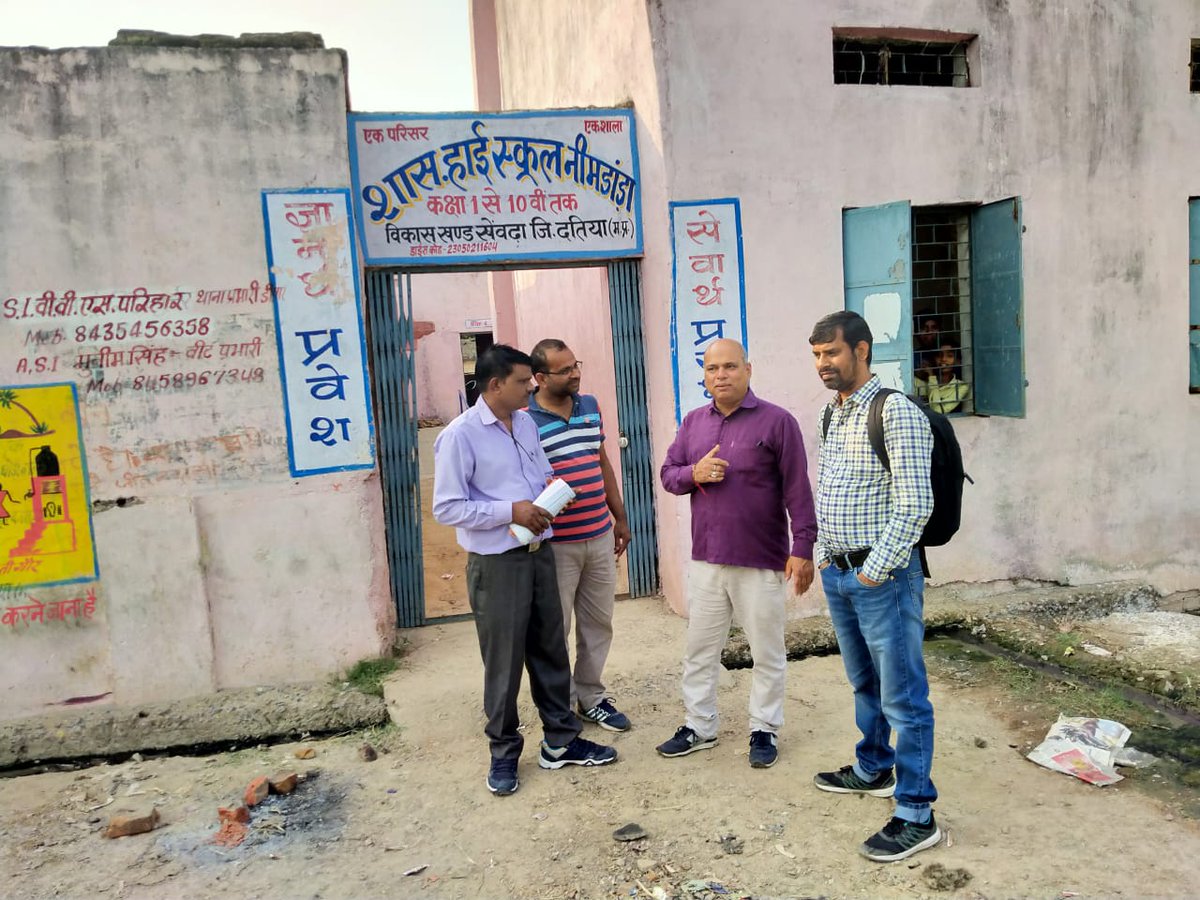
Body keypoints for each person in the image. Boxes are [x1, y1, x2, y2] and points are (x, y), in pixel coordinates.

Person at [433, 344, 618, 797]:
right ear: (496, 385)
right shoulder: (460, 436)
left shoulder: (525, 424)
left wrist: (550, 492)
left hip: (540, 552)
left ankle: (561, 740)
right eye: (522, 381)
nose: (530, 388)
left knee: (550, 650)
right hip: (498, 564)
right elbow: (447, 507)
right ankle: (503, 753)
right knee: (504, 663)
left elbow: (537, 474)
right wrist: (510, 510)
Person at [808, 310, 940, 862]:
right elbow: (830, 486)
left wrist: (873, 570)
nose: (822, 364)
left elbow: (915, 504)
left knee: (903, 696)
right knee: (864, 681)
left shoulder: (895, 412)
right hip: (840, 572)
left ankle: (916, 813)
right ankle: (873, 766)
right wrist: (824, 555)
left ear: (861, 350)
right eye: (816, 355)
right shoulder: (831, 413)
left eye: (831, 353)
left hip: (883, 578)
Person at [656, 338, 816, 769]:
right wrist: (695, 472)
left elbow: (797, 490)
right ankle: (699, 725)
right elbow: (669, 475)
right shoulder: (694, 423)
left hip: (760, 560)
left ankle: (764, 729)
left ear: (748, 369)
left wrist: (803, 547)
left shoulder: (777, 422)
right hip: (707, 559)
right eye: (712, 369)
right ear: (704, 376)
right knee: (700, 650)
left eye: (729, 366)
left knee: (767, 651)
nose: (721, 375)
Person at [527, 339, 633, 732]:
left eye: (576, 365)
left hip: (599, 535)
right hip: (556, 544)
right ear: (540, 378)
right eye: (565, 370)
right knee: (557, 629)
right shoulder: (525, 421)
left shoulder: (590, 406)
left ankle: (591, 697)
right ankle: (561, 705)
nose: (575, 374)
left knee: (598, 623)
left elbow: (601, 461)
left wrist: (620, 517)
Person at [915, 342, 971, 414]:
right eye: (939, 355)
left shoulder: (960, 387)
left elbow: (937, 411)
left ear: (958, 361)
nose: (943, 359)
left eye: (950, 356)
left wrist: (932, 377)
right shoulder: (919, 382)